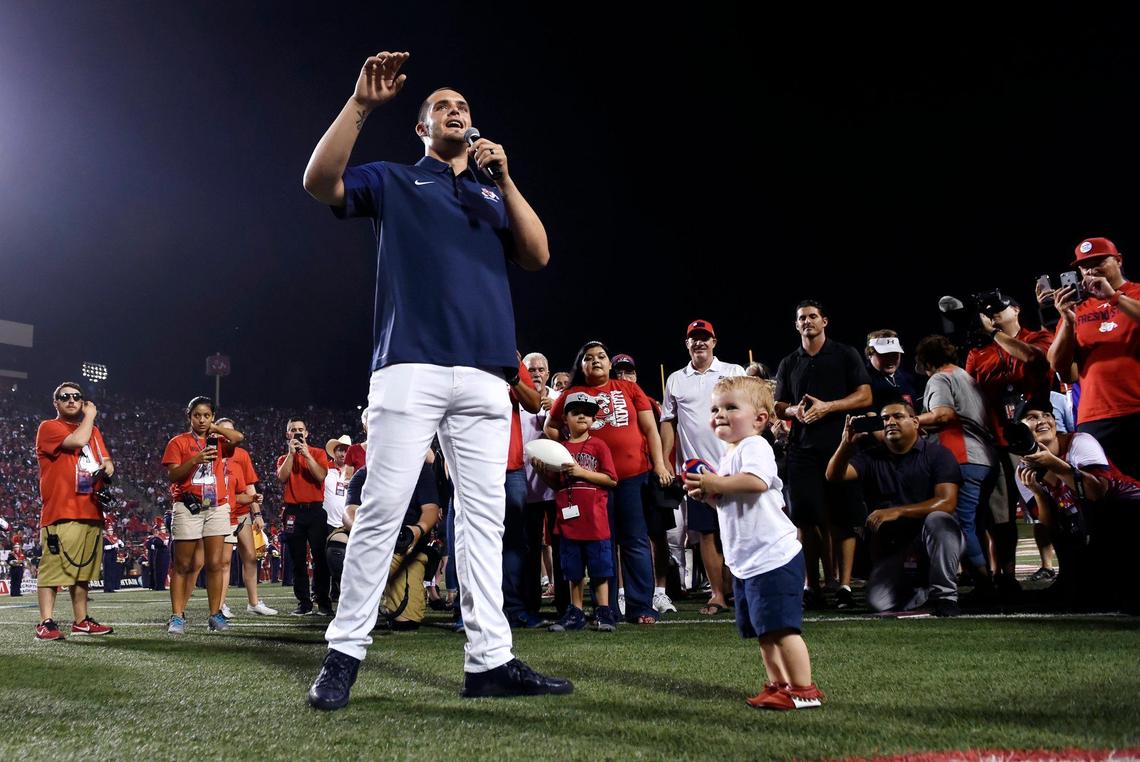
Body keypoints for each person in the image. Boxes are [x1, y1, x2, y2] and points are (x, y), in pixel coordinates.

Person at [302, 51, 568, 708]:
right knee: (384, 510)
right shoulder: (394, 178)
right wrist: (361, 105)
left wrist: (506, 179)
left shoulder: (487, 191)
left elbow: (537, 254)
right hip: (410, 365)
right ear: (422, 126)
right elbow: (319, 182)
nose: (457, 111)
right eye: (443, 106)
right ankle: (344, 653)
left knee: (484, 520)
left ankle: (491, 660)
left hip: (485, 374)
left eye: (464, 107)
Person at [683, 376, 823, 710]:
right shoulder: (731, 452)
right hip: (748, 562)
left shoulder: (754, 446)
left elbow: (757, 482)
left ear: (760, 419)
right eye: (715, 408)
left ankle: (804, 690)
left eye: (731, 407)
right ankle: (779, 684)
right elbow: (734, 500)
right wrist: (711, 496)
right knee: (764, 631)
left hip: (773, 556)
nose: (719, 413)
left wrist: (714, 481)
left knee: (783, 629)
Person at [546, 341, 672, 624]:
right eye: (588, 358)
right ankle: (608, 608)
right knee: (603, 542)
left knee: (635, 541)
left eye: (601, 356)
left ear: (609, 362)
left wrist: (660, 464)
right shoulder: (572, 394)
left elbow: (650, 428)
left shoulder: (628, 388)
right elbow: (550, 426)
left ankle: (641, 607)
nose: (596, 361)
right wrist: (568, 450)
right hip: (592, 482)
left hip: (632, 476)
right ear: (581, 365)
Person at [774, 300, 872, 609]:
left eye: (813, 316)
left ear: (825, 321)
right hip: (802, 448)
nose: (807, 321)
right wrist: (796, 412)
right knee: (806, 520)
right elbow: (779, 405)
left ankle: (843, 585)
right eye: (801, 318)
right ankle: (811, 585)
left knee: (843, 519)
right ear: (796, 324)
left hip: (840, 446)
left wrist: (828, 407)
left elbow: (865, 395)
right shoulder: (789, 362)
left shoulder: (845, 354)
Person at [826, 402, 964, 617]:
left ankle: (945, 596)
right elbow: (833, 475)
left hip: (930, 540)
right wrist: (846, 444)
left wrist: (898, 511)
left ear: (915, 422)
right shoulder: (872, 456)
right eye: (885, 419)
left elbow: (947, 502)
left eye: (898, 417)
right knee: (879, 602)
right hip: (895, 549)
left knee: (938, 519)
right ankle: (921, 588)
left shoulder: (938, 454)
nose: (890, 422)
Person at [1013, 400, 1140, 612]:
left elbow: (1098, 493)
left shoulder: (1079, 442)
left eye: (1046, 414)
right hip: (1090, 526)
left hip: (1127, 513)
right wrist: (1038, 493)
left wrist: (1054, 463)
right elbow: (1050, 528)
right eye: (1032, 417)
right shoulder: (1023, 471)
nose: (1042, 420)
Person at [965, 293, 1055, 588]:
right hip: (997, 440)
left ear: (1016, 309)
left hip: (1038, 438)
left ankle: (1066, 568)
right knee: (1001, 516)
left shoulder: (1039, 336)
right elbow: (971, 394)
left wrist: (994, 334)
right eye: (987, 313)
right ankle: (1006, 576)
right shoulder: (979, 352)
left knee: (1053, 506)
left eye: (998, 310)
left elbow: (1033, 358)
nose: (993, 316)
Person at [661, 319, 746, 616]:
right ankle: (718, 594)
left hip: (732, 466)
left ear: (714, 341)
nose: (699, 343)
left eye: (704, 337)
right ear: (687, 343)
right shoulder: (676, 379)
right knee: (706, 534)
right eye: (693, 338)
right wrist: (665, 462)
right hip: (696, 469)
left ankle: (739, 589)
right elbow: (668, 424)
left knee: (736, 530)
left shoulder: (734, 371)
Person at [1047, 236, 1140, 479]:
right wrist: (1067, 321)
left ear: (1119, 261)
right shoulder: (1077, 309)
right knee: (1106, 497)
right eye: (1085, 266)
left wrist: (1114, 297)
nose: (1091, 269)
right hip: (1095, 415)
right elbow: (1061, 367)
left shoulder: (1136, 293)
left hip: (1136, 407)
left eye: (1099, 261)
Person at [913, 335, 996, 599]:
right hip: (985, 457)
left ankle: (985, 584)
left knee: (959, 525)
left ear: (926, 360)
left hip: (960, 456)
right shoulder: (966, 376)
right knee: (976, 523)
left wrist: (909, 421)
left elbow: (943, 414)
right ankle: (984, 578)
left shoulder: (940, 378)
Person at [34, 382, 114, 640]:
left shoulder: (94, 431)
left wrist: (108, 468)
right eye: (64, 397)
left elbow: (106, 460)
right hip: (61, 509)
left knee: (83, 572)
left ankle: (81, 621)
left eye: (76, 397)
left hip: (90, 507)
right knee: (53, 569)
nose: (71, 400)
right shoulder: (49, 427)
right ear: (55, 403)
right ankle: (45, 622)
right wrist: (90, 415)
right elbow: (78, 440)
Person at [534, 392, 619, 633]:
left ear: (593, 419)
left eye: (588, 412)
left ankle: (604, 611)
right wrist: (541, 472)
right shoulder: (559, 449)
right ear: (565, 418)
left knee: (600, 568)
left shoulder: (598, 445)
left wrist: (582, 473)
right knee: (573, 569)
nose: (582, 415)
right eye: (576, 411)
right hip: (569, 519)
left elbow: (611, 479)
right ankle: (576, 611)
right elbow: (558, 484)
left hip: (595, 520)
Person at [162, 396, 245, 633]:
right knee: (183, 564)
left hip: (216, 506)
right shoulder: (178, 442)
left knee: (215, 564)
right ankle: (177, 616)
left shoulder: (218, 441)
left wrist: (216, 428)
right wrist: (195, 459)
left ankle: (215, 614)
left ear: (212, 417)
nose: (201, 419)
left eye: (206, 415)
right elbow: (173, 476)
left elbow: (239, 438)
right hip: (188, 506)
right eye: (197, 415)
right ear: (189, 417)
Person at [216, 418, 276, 616]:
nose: (228, 435)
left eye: (231, 431)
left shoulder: (241, 454)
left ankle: (253, 602)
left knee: (250, 557)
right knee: (223, 562)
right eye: (224, 431)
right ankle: (220, 605)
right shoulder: (211, 453)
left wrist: (256, 512)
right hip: (221, 513)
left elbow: (250, 485)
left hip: (241, 513)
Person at [276, 417, 332, 616]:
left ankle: (322, 600)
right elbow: (282, 478)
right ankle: (304, 602)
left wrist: (307, 455)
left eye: (300, 430)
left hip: (315, 510)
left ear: (306, 434)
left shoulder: (317, 453)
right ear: (288, 434)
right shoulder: (284, 458)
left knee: (320, 557)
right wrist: (292, 454)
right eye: (293, 430)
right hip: (293, 512)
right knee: (297, 559)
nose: (297, 433)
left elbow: (320, 476)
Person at [323, 434, 354, 603]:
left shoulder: (355, 471)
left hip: (347, 522)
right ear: (334, 452)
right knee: (323, 559)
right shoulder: (324, 469)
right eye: (340, 450)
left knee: (344, 559)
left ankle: (339, 591)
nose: (343, 454)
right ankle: (320, 592)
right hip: (327, 521)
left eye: (346, 450)